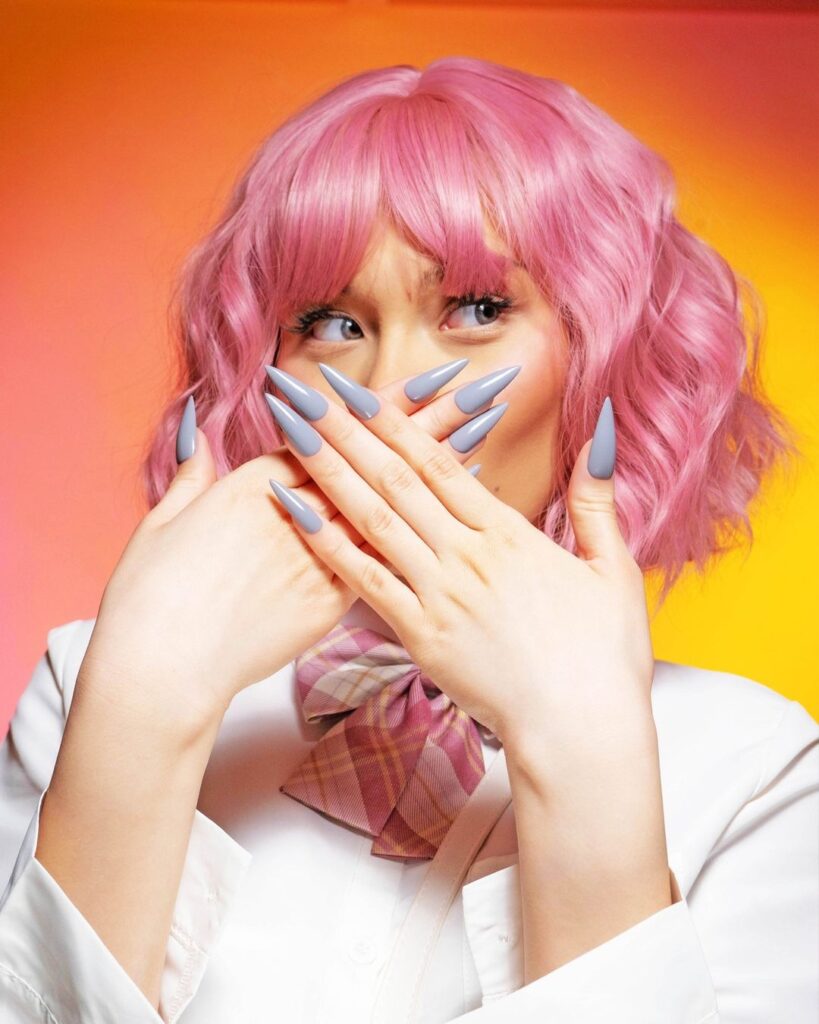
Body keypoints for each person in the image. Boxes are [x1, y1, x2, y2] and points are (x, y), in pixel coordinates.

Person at [1, 55, 816, 1024]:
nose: (390, 390)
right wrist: (140, 710)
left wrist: (583, 756)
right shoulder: (95, 682)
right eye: (333, 321)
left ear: (605, 357)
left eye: (475, 309)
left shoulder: (757, 768)